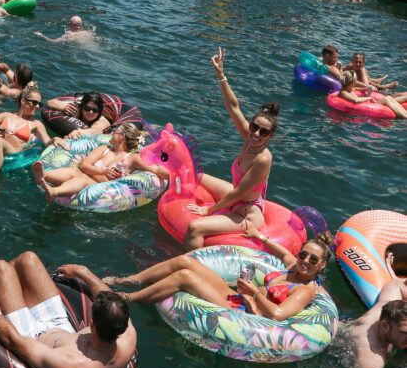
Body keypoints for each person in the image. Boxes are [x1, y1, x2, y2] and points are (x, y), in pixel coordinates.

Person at [0, 251, 137, 368]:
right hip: (60, 325)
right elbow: (109, 298)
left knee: (1, 268)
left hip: (30, 334)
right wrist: (83, 272)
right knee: (28, 259)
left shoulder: (73, 364)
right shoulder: (127, 336)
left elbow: (13, 341)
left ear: (92, 324)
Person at [104, 231, 332, 320]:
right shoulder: (294, 266)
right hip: (240, 298)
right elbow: (283, 253)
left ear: (322, 266)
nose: (305, 261)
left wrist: (254, 293)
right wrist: (260, 238)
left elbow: (277, 314)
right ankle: (131, 279)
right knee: (186, 261)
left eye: (313, 260)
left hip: (246, 314)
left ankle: (127, 298)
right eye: (304, 254)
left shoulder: (304, 290)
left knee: (185, 276)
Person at [183, 47, 278, 250]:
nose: (256, 134)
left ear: (270, 137)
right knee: (195, 175)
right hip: (237, 198)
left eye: (264, 132)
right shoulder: (249, 139)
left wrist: (209, 211)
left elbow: (237, 194)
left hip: (246, 211)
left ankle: (191, 268)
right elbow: (233, 107)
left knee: (195, 227)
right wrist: (221, 75)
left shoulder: (263, 158)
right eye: (254, 127)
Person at [31, 123, 168, 203]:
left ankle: (55, 191)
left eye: (115, 132)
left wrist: (173, 173)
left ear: (122, 137)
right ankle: (44, 174)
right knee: (76, 172)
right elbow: (84, 166)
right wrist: (103, 171)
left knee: (82, 178)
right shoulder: (103, 149)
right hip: (90, 177)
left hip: (104, 189)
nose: (111, 134)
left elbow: (154, 170)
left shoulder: (132, 158)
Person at [0, 85, 66, 193]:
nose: (38, 106)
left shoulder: (35, 124)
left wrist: (55, 139)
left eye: (40, 104)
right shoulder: (6, 115)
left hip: (14, 151)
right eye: (34, 102)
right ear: (23, 101)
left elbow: (47, 141)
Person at [349, 281, 407, 368]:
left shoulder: (388, 306)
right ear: (385, 326)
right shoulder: (373, 360)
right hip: (340, 339)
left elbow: (395, 285)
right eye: (404, 333)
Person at [337, 71, 407, 119]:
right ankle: (404, 117)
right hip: (367, 107)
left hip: (367, 104)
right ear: (352, 81)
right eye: (355, 79)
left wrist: (369, 88)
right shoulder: (344, 92)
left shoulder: (350, 88)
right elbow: (355, 100)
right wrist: (369, 98)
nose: (356, 80)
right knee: (386, 99)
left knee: (388, 97)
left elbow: (360, 89)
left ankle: (405, 113)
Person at [45, 91, 111, 138]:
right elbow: (49, 102)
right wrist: (63, 107)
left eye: (95, 110)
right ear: (82, 106)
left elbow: (97, 131)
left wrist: (78, 132)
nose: (91, 112)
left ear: (99, 111)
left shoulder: (101, 120)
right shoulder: (75, 110)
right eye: (87, 108)